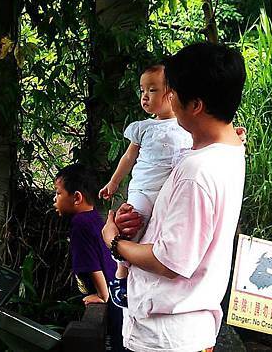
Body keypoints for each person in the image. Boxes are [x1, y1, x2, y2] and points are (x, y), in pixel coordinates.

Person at [102, 42, 247, 352]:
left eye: (173, 92)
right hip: (187, 330)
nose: (168, 99)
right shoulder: (229, 149)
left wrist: (115, 242)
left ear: (194, 104)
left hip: (167, 337)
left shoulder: (197, 171)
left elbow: (169, 262)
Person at [98, 64, 193, 307]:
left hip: (169, 192)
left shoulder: (187, 127)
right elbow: (128, 158)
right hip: (142, 189)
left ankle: (141, 281)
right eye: (142, 90)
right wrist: (114, 182)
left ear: (171, 93)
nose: (145, 96)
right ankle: (121, 275)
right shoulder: (143, 127)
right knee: (132, 228)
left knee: (159, 235)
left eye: (152, 90)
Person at [53, 164, 124, 351]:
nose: (55, 200)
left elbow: (93, 265)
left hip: (111, 298)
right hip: (118, 292)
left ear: (77, 197)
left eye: (58, 194)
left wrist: (102, 294)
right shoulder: (93, 217)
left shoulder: (79, 225)